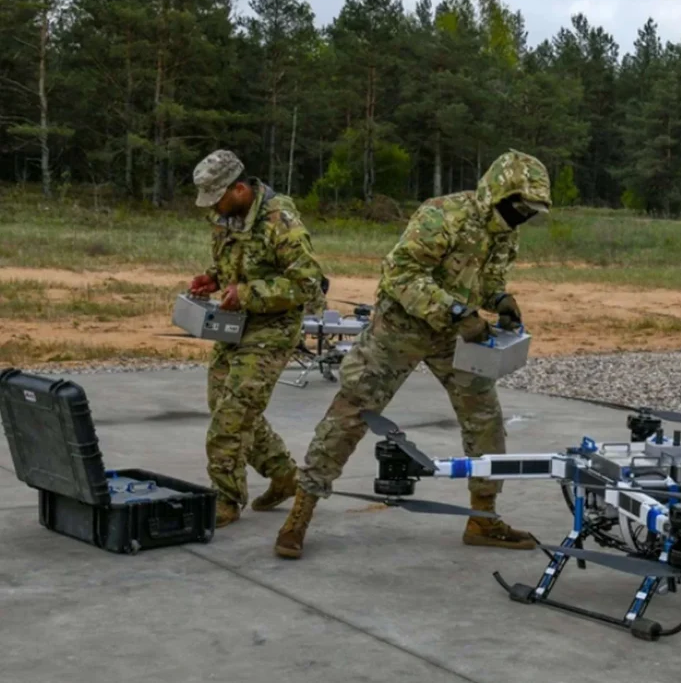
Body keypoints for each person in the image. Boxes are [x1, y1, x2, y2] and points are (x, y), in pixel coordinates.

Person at [274, 149, 552, 559]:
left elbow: (486, 277)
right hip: (399, 329)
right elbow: (400, 274)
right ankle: (299, 514)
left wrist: (500, 298)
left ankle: (483, 518)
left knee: (484, 416)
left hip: (452, 336)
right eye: (522, 206)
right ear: (499, 193)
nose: (525, 216)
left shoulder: (503, 233)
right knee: (351, 412)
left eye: (532, 211)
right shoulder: (443, 215)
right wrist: (457, 311)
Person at [188, 149, 325, 528]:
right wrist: (213, 279)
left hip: (274, 327)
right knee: (223, 404)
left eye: (218, 198)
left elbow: (308, 282)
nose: (213, 208)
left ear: (239, 188)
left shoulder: (280, 221)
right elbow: (231, 262)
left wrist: (246, 293)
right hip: (236, 322)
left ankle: (227, 500)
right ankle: (283, 474)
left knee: (231, 418)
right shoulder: (226, 216)